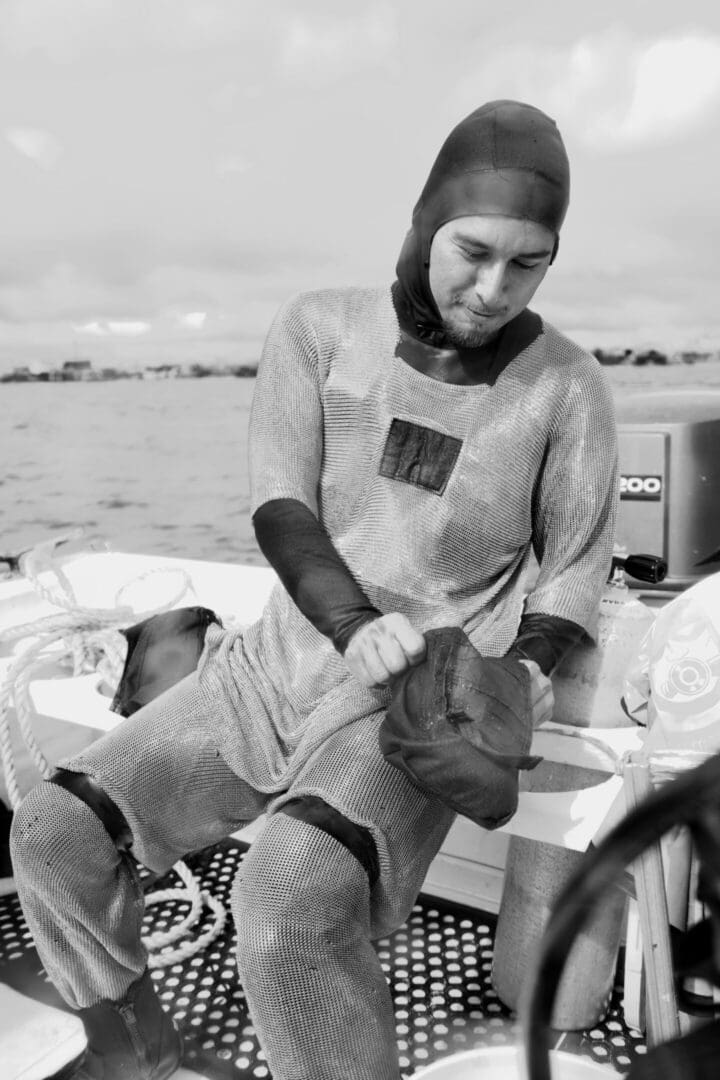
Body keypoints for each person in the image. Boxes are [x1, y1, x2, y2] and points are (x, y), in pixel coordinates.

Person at [10, 100, 618, 1080]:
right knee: (51, 832)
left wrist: (534, 664)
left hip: (408, 706)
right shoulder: (320, 329)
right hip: (269, 668)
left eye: (528, 261)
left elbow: (578, 564)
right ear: (425, 219)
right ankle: (129, 1052)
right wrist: (351, 618)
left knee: (283, 902)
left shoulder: (568, 386)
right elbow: (282, 506)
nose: (492, 286)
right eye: (472, 249)